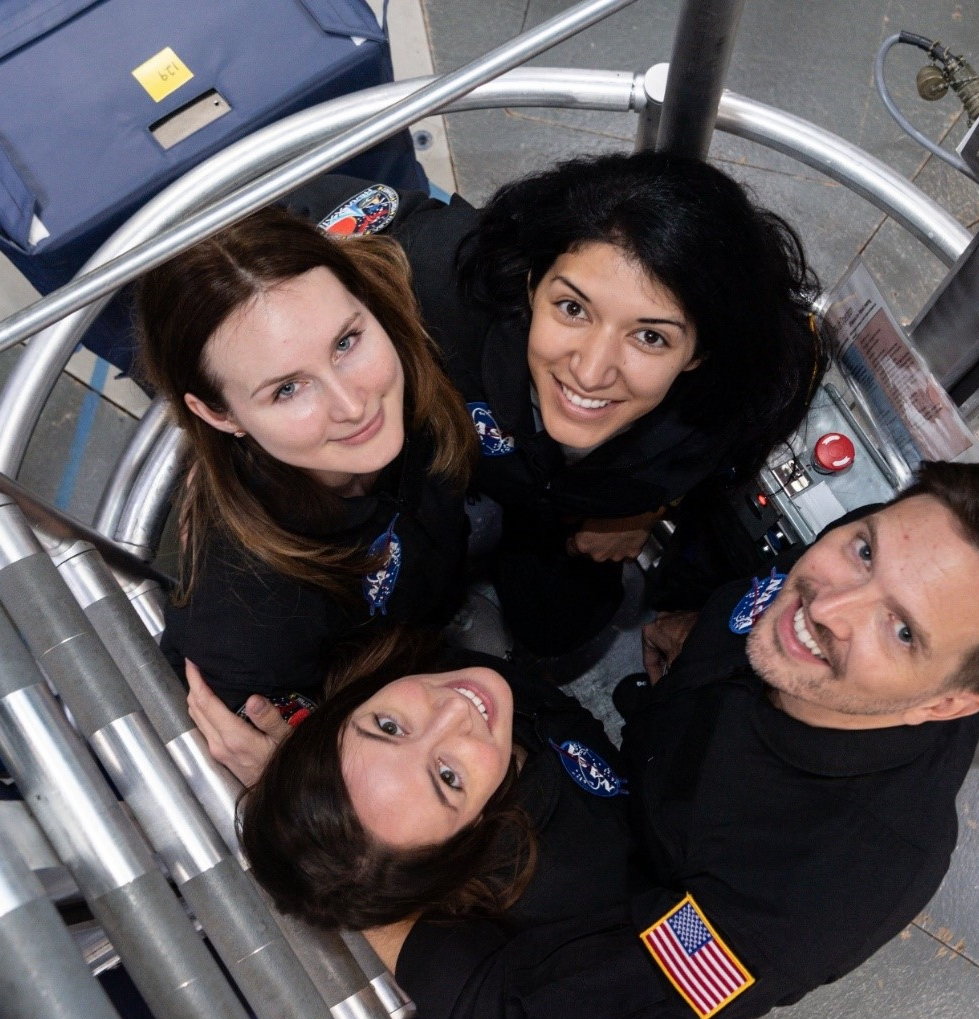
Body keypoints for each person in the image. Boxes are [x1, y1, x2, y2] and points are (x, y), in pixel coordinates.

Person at [196, 461, 979, 1019]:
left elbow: (504, 1015)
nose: (824, 606)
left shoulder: (804, 896)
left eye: (902, 629)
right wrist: (692, 633)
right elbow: (760, 607)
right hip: (650, 738)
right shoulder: (799, 606)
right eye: (864, 549)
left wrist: (331, 845)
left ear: (944, 703)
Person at [282, 152, 825, 658]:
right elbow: (279, 229)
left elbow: (738, 449)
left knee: (558, 634)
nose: (590, 371)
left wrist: (651, 508)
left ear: (699, 353)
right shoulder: (445, 282)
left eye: (651, 338)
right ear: (530, 282)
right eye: (571, 308)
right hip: (442, 471)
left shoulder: (739, 392)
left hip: (580, 512)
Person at [140, 207, 477, 716]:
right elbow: (224, 719)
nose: (353, 405)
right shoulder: (248, 611)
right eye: (287, 389)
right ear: (218, 413)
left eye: (345, 342)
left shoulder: (435, 297)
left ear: (364, 296)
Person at [218, 631, 647, 939]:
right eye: (448, 778)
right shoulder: (588, 868)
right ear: (473, 832)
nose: (453, 710)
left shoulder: (393, 661)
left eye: (388, 726)